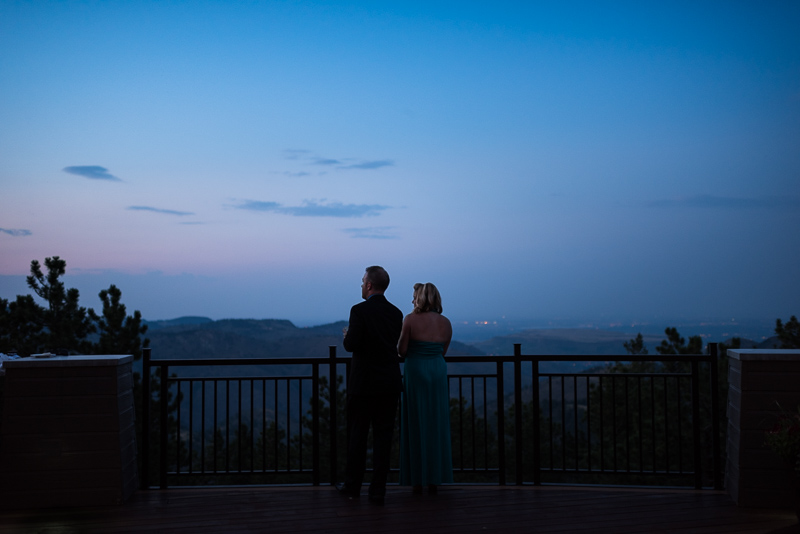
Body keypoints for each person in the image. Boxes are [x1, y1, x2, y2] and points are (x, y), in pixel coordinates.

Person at [338, 266, 403, 505]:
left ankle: (353, 486)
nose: (361, 285)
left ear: (368, 285)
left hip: (363, 384)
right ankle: (378, 490)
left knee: (358, 437)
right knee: (383, 439)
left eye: (362, 281)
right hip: (389, 383)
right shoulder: (396, 313)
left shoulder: (359, 310)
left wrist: (347, 336)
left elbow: (351, 345)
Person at [398, 282, 454, 494]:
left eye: (414, 297)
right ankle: (434, 479)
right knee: (435, 422)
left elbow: (402, 351)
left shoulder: (410, 320)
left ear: (420, 299)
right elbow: (442, 351)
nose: (412, 301)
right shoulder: (446, 323)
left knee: (416, 422)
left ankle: (417, 480)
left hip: (416, 372)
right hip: (437, 371)